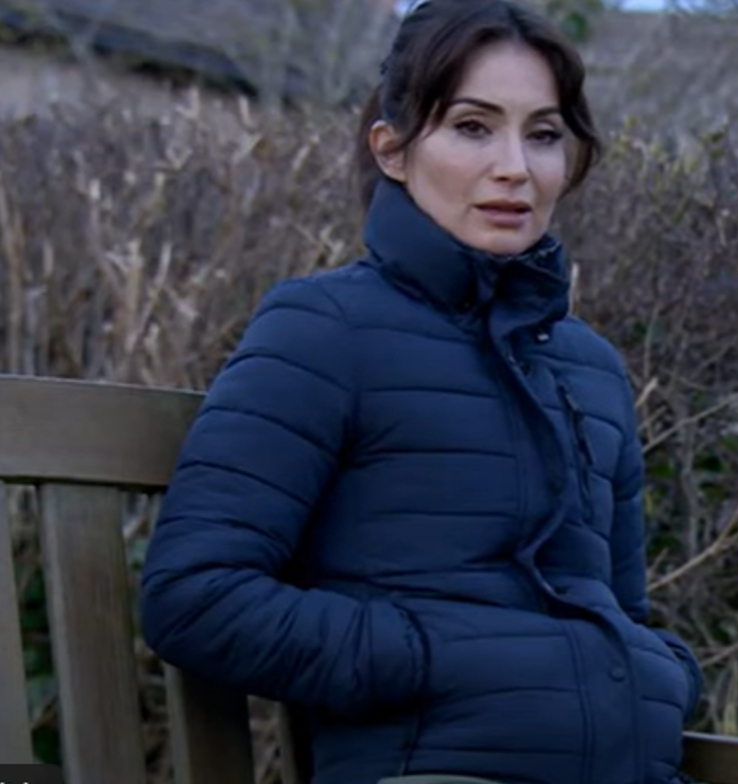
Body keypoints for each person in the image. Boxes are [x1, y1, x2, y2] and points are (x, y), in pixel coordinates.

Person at [137, 1, 703, 782]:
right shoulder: (325, 329)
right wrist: (426, 656)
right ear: (394, 150)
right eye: (473, 127)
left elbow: (623, 613)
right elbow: (196, 598)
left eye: (543, 134)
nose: (515, 166)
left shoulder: (591, 368)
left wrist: (660, 673)